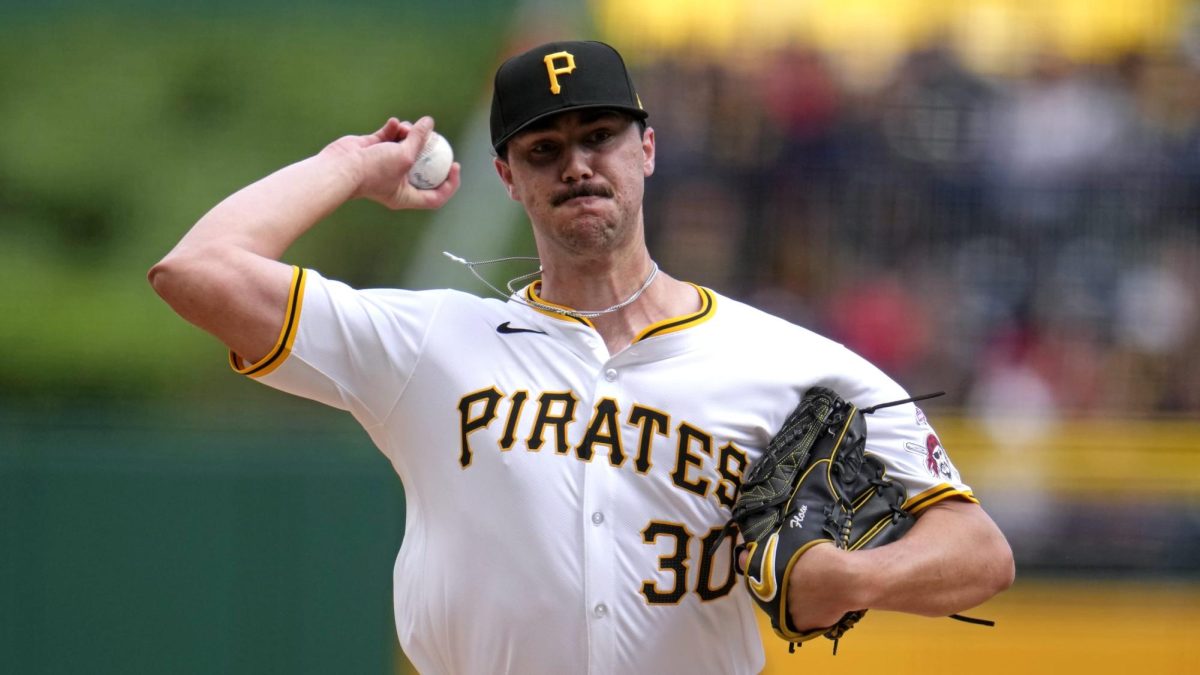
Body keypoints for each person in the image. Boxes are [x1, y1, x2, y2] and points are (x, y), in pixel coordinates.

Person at [149, 40, 1014, 675]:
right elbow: (196, 271)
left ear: (647, 147)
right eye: (543, 149)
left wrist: (854, 575)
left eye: (598, 135)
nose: (576, 165)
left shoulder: (789, 365)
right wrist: (345, 167)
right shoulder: (426, 345)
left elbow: (980, 553)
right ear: (508, 177)